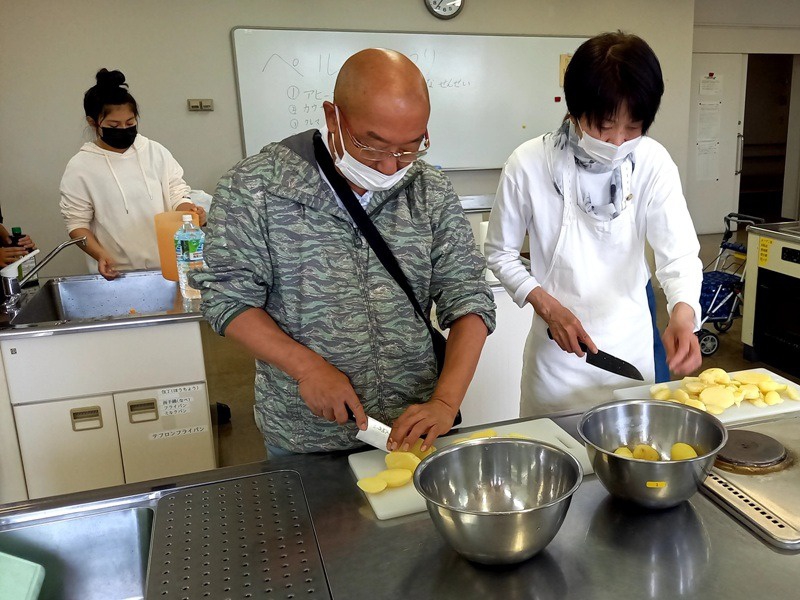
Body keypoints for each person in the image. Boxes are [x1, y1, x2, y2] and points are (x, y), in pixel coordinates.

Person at [192, 48, 496, 455]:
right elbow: (228, 298)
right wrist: (306, 368)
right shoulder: (256, 187)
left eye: (410, 148)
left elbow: (469, 296)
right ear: (333, 117)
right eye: (373, 146)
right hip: (306, 434)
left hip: (412, 428)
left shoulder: (429, 190)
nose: (390, 167)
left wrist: (445, 401)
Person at [485, 32, 703, 417]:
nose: (617, 142)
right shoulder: (529, 164)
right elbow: (500, 254)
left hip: (630, 357)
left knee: (633, 449)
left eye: (633, 128)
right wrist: (548, 307)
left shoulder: (653, 162)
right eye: (604, 126)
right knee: (554, 454)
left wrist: (683, 314)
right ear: (574, 112)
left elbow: (679, 254)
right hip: (557, 364)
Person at [59, 69, 206, 280]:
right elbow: (77, 225)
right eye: (113, 125)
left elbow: (177, 194)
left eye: (130, 123)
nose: (124, 129)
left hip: (171, 269)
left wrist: (190, 212)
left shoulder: (155, 152)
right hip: (120, 276)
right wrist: (100, 255)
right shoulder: (81, 167)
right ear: (93, 122)